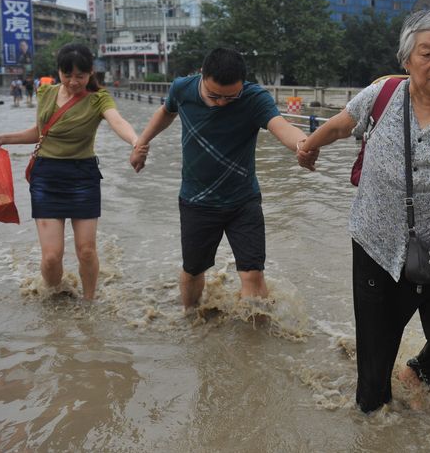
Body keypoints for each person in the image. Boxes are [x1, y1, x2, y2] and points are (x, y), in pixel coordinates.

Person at [296, 8, 430, 413]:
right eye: (427, 54)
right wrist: (309, 146)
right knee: (372, 391)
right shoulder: (380, 97)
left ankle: (420, 370)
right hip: (375, 250)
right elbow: (342, 125)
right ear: (407, 59)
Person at [129, 47, 310, 309]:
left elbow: (280, 126)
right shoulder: (183, 89)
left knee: (252, 274)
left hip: (243, 201)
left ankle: (253, 339)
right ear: (202, 75)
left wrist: (302, 144)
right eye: (214, 96)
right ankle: (190, 318)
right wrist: (141, 144)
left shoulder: (254, 98)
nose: (222, 103)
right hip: (196, 201)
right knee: (193, 271)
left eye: (230, 97)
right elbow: (166, 112)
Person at [0, 44, 140, 300]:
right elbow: (42, 133)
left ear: (91, 73)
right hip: (46, 176)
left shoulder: (100, 98)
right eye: (68, 75)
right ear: (58, 72)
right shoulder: (45, 92)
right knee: (52, 257)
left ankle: (89, 303)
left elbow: (117, 121)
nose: (73, 82)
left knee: (86, 250)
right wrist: (3, 138)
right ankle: (54, 296)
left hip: (83, 177)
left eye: (80, 76)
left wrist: (135, 142)